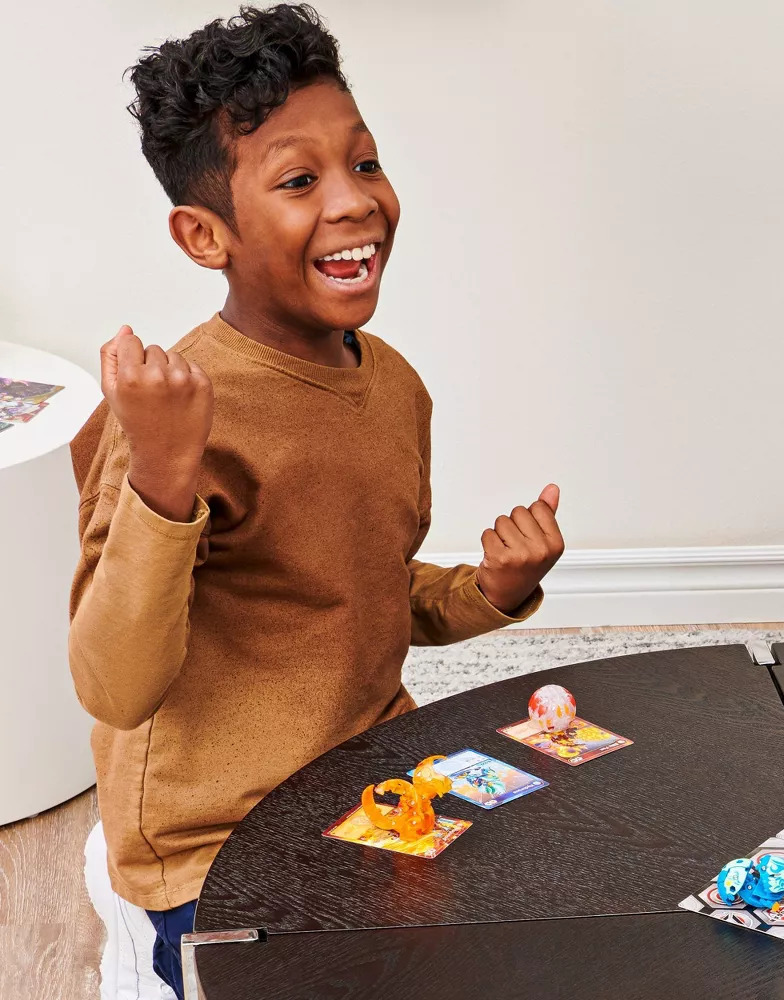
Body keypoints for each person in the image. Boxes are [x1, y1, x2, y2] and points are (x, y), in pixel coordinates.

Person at [69, 5, 565, 997]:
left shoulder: (394, 385)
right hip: (212, 833)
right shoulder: (174, 419)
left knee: (546, 921)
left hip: (365, 777)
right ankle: (138, 934)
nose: (355, 203)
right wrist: (162, 475)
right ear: (204, 234)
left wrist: (491, 590)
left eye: (365, 163)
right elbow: (113, 685)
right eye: (299, 181)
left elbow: (358, 592)